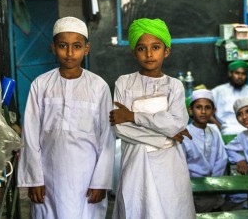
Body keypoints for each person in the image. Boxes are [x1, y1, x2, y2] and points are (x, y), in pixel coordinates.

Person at [17, 17, 115, 219]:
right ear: (53, 47)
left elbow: (107, 137)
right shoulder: (40, 85)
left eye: (77, 46)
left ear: (86, 49)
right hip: (49, 175)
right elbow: (31, 134)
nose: (70, 53)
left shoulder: (98, 86)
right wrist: (34, 179)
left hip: (87, 176)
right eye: (63, 46)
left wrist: (101, 182)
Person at [109, 18, 195, 219]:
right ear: (133, 52)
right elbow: (120, 129)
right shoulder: (124, 83)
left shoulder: (174, 86)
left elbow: (176, 123)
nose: (149, 54)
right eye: (141, 48)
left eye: (155, 47)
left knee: (171, 209)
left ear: (166, 51)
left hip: (169, 166)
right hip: (136, 163)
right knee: (138, 209)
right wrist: (164, 137)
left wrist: (132, 115)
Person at [182, 89, 228, 212]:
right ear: (191, 110)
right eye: (198, 107)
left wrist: (213, 182)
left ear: (213, 111)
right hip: (192, 188)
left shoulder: (214, 130)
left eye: (207, 107)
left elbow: (222, 159)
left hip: (215, 185)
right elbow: (182, 165)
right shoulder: (184, 133)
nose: (203, 111)